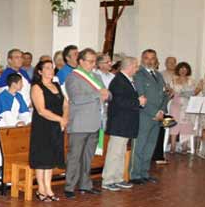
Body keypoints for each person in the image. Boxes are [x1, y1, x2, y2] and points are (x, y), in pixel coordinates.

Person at [63, 48, 109, 198]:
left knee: (88, 157)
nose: (93, 64)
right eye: (90, 61)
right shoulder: (73, 78)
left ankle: (85, 184)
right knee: (75, 156)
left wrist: (108, 95)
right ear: (81, 61)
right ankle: (69, 186)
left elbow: (106, 93)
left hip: (96, 121)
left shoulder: (96, 76)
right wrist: (98, 94)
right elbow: (76, 98)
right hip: (80, 123)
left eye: (94, 61)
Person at [102, 57, 142, 191]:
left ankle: (117, 178)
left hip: (125, 122)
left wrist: (137, 101)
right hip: (119, 121)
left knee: (121, 151)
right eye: (136, 66)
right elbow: (119, 102)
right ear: (129, 66)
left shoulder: (126, 80)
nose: (137, 69)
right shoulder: (118, 81)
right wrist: (138, 102)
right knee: (115, 152)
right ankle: (108, 180)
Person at [29, 60, 67, 201]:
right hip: (43, 126)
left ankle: (49, 188)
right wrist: (60, 119)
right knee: (42, 157)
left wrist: (65, 118)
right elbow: (41, 110)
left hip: (56, 125)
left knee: (51, 157)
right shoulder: (37, 87)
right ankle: (41, 189)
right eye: (47, 68)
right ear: (40, 71)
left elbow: (65, 104)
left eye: (52, 68)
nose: (51, 70)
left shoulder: (56, 85)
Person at [130, 49, 167, 184]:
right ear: (142, 59)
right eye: (147, 58)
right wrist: (154, 112)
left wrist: (162, 111)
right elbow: (141, 96)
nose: (150, 61)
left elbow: (164, 94)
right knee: (139, 146)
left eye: (152, 58)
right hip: (144, 115)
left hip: (158, 116)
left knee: (150, 145)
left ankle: (144, 172)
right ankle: (135, 174)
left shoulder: (158, 75)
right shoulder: (139, 75)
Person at [168, 62, 196, 153]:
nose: (183, 71)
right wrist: (170, 92)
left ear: (188, 70)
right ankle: (172, 146)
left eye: (185, 69)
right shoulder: (173, 80)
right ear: (178, 70)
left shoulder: (191, 80)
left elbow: (194, 93)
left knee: (187, 125)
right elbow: (170, 92)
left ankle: (184, 146)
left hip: (188, 104)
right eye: (181, 69)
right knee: (173, 124)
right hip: (176, 104)